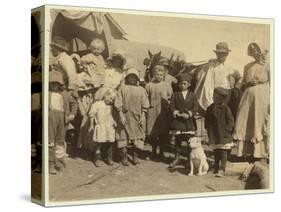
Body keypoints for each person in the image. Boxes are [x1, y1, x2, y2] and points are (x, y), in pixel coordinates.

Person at [233, 43, 270, 162]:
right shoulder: (247, 66)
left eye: (256, 50)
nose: (254, 53)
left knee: (258, 121)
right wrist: (245, 85)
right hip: (247, 95)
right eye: (251, 51)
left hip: (261, 95)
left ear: (259, 50)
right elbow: (243, 81)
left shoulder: (268, 65)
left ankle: (259, 153)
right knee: (244, 121)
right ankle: (245, 152)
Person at [194, 42, 241, 114]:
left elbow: (240, 77)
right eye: (218, 53)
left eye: (223, 53)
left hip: (226, 93)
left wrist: (236, 87)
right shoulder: (210, 65)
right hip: (213, 93)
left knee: (223, 112)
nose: (220, 55)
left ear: (227, 54)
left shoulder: (231, 66)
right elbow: (200, 75)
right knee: (212, 112)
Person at [114, 68, 150, 166]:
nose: (132, 79)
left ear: (137, 79)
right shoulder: (123, 88)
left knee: (138, 137)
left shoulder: (141, 90)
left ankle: (135, 156)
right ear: (127, 78)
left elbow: (145, 104)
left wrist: (143, 116)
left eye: (134, 77)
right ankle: (124, 157)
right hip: (125, 116)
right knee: (123, 136)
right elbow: (118, 102)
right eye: (130, 77)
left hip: (137, 117)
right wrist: (121, 115)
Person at [168, 73, 199, 169]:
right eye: (181, 84)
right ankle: (177, 158)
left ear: (189, 84)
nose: (182, 85)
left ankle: (189, 160)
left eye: (185, 84)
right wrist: (176, 113)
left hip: (189, 122)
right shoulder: (175, 95)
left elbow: (195, 107)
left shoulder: (193, 95)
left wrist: (189, 113)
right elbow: (171, 106)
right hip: (178, 121)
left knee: (189, 141)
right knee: (178, 140)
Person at [205, 87, 234, 177]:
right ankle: (216, 166)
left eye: (217, 98)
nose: (215, 99)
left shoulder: (225, 108)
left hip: (223, 133)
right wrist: (207, 128)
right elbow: (207, 119)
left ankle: (222, 168)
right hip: (214, 133)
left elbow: (231, 120)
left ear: (222, 99)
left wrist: (227, 129)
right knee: (216, 151)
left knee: (223, 151)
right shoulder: (210, 107)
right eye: (214, 97)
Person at [145, 65, 173, 161]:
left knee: (163, 132)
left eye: (161, 75)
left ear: (163, 75)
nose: (159, 76)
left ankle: (161, 152)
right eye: (157, 74)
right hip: (152, 111)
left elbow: (170, 96)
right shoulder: (149, 85)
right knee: (152, 132)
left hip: (163, 112)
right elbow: (145, 98)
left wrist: (168, 105)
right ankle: (153, 151)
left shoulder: (166, 85)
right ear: (153, 74)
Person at [88, 89, 117, 167]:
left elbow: (111, 115)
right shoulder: (97, 104)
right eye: (110, 98)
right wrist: (91, 125)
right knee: (99, 143)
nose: (111, 101)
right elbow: (92, 115)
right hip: (101, 126)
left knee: (110, 142)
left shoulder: (111, 106)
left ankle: (109, 158)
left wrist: (114, 121)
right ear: (105, 96)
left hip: (109, 126)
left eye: (113, 100)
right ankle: (97, 158)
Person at [48, 70, 67, 175]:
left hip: (61, 117)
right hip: (51, 117)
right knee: (50, 141)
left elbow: (66, 107)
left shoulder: (62, 95)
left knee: (60, 140)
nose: (54, 86)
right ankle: (50, 164)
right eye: (52, 84)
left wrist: (67, 116)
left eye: (56, 84)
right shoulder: (47, 94)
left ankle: (59, 162)